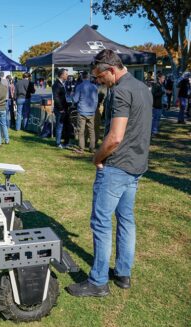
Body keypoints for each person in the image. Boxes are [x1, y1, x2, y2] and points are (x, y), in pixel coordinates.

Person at [66, 49, 152, 297]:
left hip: (117, 167)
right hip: (136, 166)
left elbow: (115, 137)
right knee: (126, 220)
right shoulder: (142, 88)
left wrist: (96, 157)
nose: (97, 81)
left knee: (101, 223)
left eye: (99, 77)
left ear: (111, 70)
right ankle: (123, 273)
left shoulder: (121, 91)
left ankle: (98, 281)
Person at [73, 71, 98, 153]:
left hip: (82, 111)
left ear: (82, 77)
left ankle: (81, 148)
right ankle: (92, 148)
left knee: (81, 131)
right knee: (91, 131)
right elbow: (96, 100)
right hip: (91, 111)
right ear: (89, 77)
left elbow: (75, 99)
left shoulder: (79, 86)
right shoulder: (94, 86)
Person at [52, 68, 69, 148]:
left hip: (64, 107)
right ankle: (58, 143)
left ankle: (66, 142)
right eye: (66, 74)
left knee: (65, 125)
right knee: (60, 125)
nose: (67, 75)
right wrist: (61, 108)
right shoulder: (56, 84)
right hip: (60, 109)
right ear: (62, 75)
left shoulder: (63, 83)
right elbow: (56, 98)